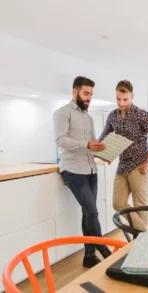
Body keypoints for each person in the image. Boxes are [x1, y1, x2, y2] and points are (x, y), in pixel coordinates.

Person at [53, 76, 112, 268]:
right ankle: (103, 249)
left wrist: (104, 152)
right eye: (86, 93)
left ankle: (88, 256)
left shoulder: (88, 117)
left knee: (89, 213)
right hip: (73, 170)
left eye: (91, 95)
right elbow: (60, 140)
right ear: (75, 91)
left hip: (91, 169)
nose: (89, 98)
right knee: (92, 211)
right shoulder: (62, 113)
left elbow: (92, 143)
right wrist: (85, 144)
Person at [99, 80, 148, 231]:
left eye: (125, 99)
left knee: (139, 205)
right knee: (118, 203)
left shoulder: (141, 115)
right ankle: (145, 234)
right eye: (118, 99)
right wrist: (104, 153)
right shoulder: (112, 116)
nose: (121, 103)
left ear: (132, 96)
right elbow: (104, 137)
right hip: (122, 166)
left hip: (140, 165)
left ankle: (139, 239)